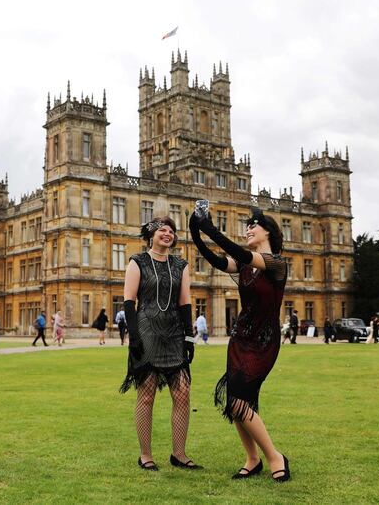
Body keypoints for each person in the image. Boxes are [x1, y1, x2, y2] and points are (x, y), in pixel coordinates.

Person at [190, 205, 291, 482]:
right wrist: (196, 233)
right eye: (246, 226)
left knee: (239, 398)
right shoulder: (246, 265)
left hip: (264, 341)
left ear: (267, 231)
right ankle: (252, 458)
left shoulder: (277, 264)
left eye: (252, 226)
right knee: (237, 400)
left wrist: (209, 227)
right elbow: (219, 261)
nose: (248, 229)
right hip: (240, 339)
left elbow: (239, 253)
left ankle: (274, 457)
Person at [120, 216, 200, 471]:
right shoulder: (138, 262)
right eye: (162, 230)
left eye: (171, 231)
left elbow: (186, 302)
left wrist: (189, 336)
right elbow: (129, 302)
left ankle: (179, 454)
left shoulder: (181, 265)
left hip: (174, 332)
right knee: (146, 395)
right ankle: (145, 455)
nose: (168, 234)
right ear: (151, 235)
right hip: (147, 332)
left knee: (183, 393)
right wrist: (133, 337)